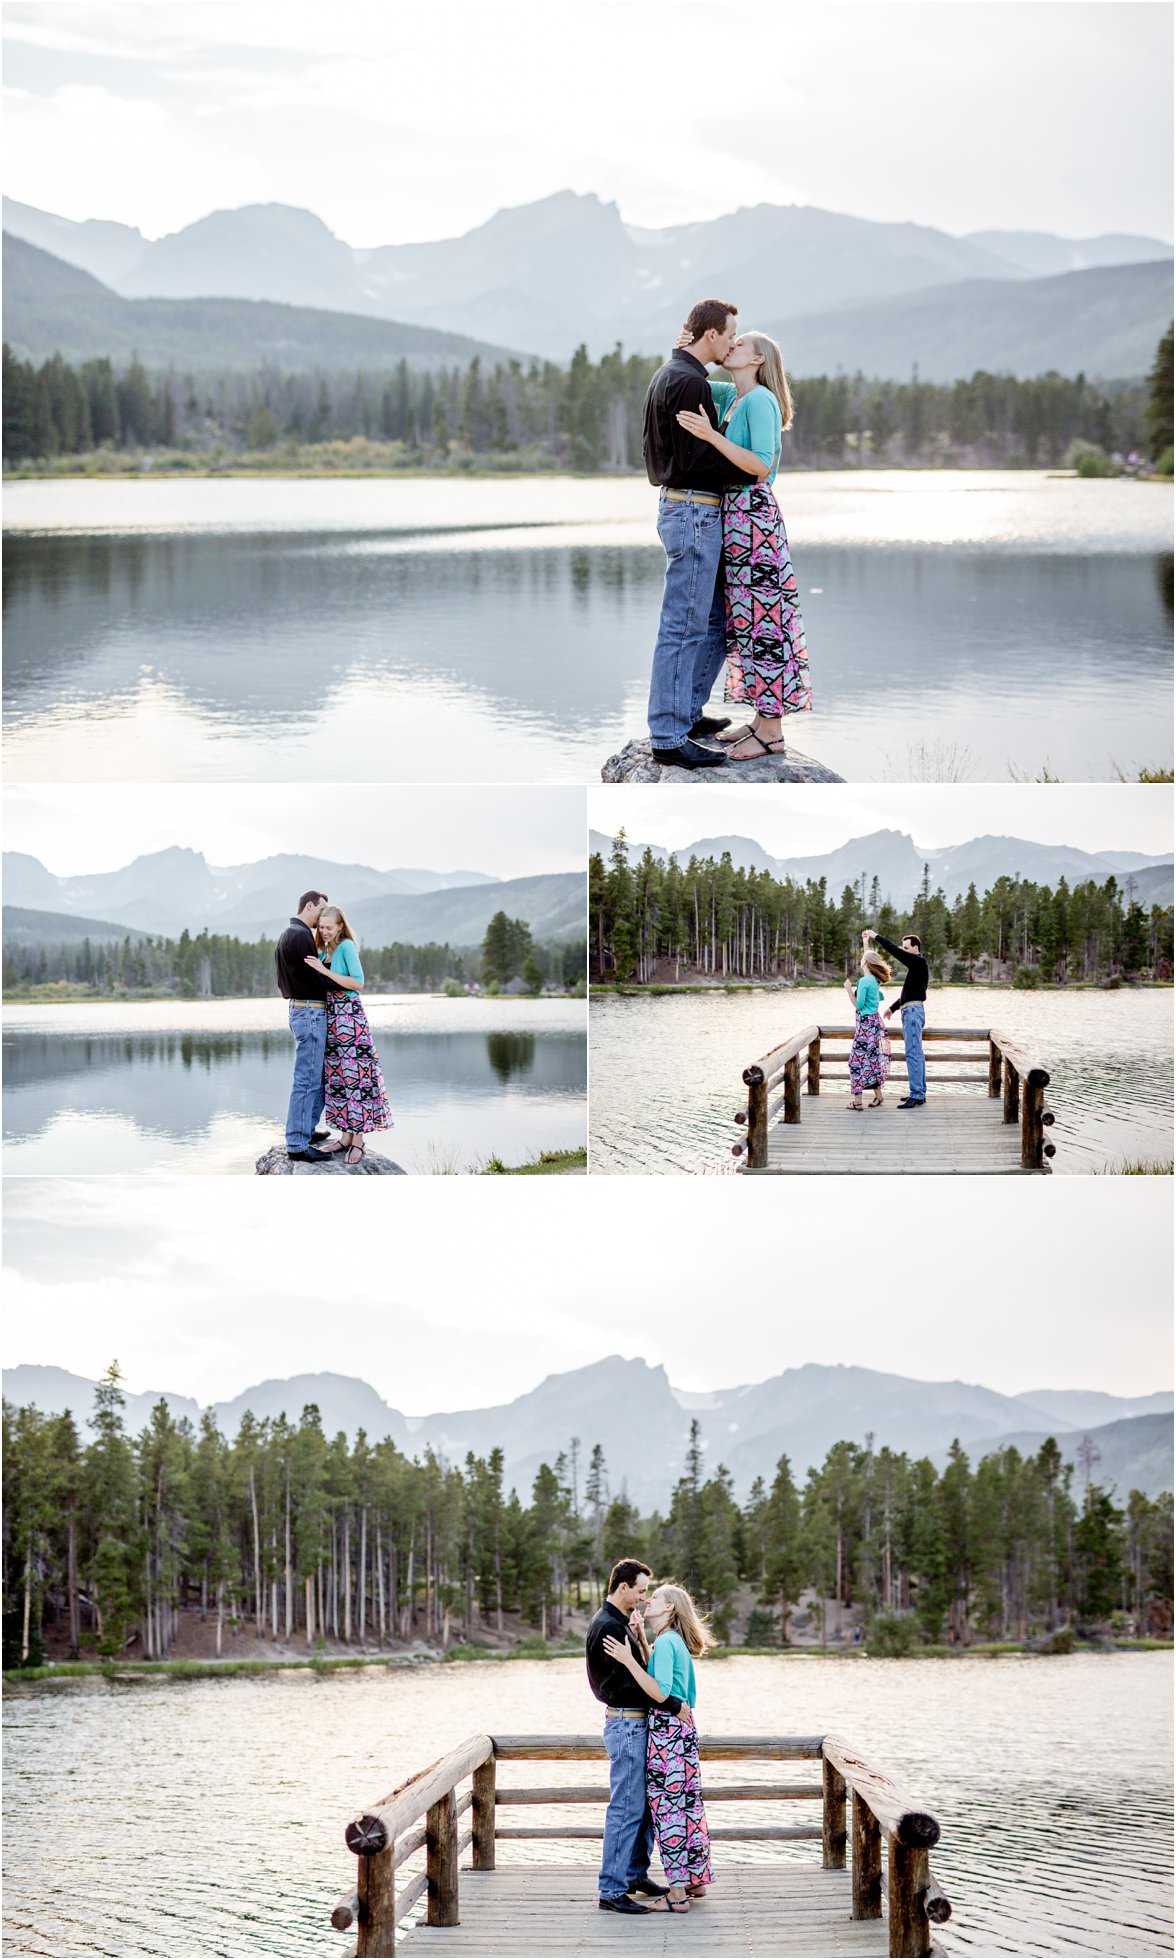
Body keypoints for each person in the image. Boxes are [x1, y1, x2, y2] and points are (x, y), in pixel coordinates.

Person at [675, 328, 812, 760]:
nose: (730, 347)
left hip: (754, 516)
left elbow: (760, 466)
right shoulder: (731, 396)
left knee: (766, 619)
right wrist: (686, 345)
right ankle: (759, 721)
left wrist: (712, 437)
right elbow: (689, 373)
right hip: (736, 517)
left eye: (739, 345)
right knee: (747, 620)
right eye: (730, 342)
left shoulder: (760, 400)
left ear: (757, 360)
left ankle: (771, 732)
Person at [641, 298, 760, 770]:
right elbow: (694, 460)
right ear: (710, 335)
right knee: (684, 623)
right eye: (730, 333)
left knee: (709, 619)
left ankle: (686, 714)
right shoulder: (689, 382)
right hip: (693, 510)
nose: (734, 341)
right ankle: (668, 736)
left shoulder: (672, 374)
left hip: (688, 509)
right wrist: (750, 469)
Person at [603, 1581, 716, 1912]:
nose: (646, 1601)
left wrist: (628, 1659)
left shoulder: (667, 1642)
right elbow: (664, 1678)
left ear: (669, 1608)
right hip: (681, 1730)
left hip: (667, 1733)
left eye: (654, 1598)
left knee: (667, 1810)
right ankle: (695, 1881)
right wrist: (640, 1640)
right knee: (686, 1805)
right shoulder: (669, 1641)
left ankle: (677, 1896)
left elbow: (658, 1690)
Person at [585, 1559, 686, 1916]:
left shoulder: (619, 1623)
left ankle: (633, 1875)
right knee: (626, 1808)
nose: (644, 1598)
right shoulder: (609, 1627)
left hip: (632, 1724)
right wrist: (674, 1704)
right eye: (641, 1590)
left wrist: (641, 1638)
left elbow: (639, 1673)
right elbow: (636, 1685)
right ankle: (611, 1890)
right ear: (623, 1586)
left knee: (641, 1806)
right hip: (627, 1724)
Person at [303, 905, 392, 1165]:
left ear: (341, 926)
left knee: (357, 1078)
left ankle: (359, 1141)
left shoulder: (346, 947)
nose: (325, 931)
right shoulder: (322, 950)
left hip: (350, 1018)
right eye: (321, 927)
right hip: (332, 1018)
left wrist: (325, 971)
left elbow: (358, 982)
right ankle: (345, 1137)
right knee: (339, 1078)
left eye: (329, 927)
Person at [273, 891, 344, 1163]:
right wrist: (345, 981)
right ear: (310, 905)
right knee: (307, 1078)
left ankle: (307, 1129)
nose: (323, 916)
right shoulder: (301, 935)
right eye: (322, 909)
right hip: (310, 1012)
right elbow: (317, 979)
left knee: (317, 1076)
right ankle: (297, 1143)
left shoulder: (289, 933)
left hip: (301, 1010)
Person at [868, 928, 930, 1109]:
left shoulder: (918, 962)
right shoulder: (917, 967)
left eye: (906, 948)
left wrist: (876, 936)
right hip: (910, 1011)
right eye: (903, 947)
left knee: (913, 1053)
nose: (903, 950)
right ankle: (919, 1093)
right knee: (916, 1052)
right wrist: (892, 1008)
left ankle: (917, 1094)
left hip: (912, 1013)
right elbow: (911, 992)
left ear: (915, 948)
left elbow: (893, 951)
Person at [844, 938, 892, 1110]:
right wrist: (865, 942)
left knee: (855, 1061)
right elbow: (868, 958)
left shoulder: (864, 982)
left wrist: (849, 989)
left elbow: (858, 1005)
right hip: (874, 1024)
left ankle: (857, 1102)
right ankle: (879, 1097)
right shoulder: (874, 981)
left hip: (864, 1025)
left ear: (865, 962)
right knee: (872, 1060)